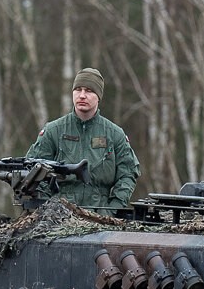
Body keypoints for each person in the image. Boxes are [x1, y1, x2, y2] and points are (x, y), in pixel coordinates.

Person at [26, 68, 140, 210]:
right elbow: (33, 171)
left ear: (98, 96)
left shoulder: (114, 134)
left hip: (101, 216)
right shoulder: (53, 131)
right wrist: (48, 209)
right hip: (58, 216)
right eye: (78, 90)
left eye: (89, 91)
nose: (82, 95)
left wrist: (113, 209)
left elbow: (128, 173)